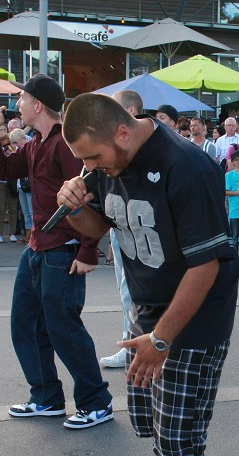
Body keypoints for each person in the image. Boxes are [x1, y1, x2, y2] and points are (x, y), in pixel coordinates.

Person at [58, 92, 239, 456]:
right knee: (152, 417)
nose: (89, 168)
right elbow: (103, 226)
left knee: (175, 429)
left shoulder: (188, 166)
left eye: (92, 158)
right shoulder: (111, 164)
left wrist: (161, 340)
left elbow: (206, 265)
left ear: (121, 133)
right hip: (149, 305)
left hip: (195, 315)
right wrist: (75, 208)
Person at [0, 73, 113, 430]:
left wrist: (88, 249)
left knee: (63, 328)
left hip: (64, 248)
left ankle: (96, 402)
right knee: (24, 323)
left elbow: (89, 198)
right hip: (38, 246)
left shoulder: (64, 145)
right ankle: (46, 398)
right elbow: (6, 170)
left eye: (22, 100)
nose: (17, 106)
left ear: (38, 105)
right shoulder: (36, 142)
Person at [99, 90, 144, 369]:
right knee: (125, 289)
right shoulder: (119, 145)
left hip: (140, 229)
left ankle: (134, 347)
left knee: (133, 291)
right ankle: (131, 345)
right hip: (122, 226)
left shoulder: (140, 146)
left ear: (129, 109)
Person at [0, 124, 18, 243]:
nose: (5, 143)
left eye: (8, 141)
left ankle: (12, 233)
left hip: (12, 181)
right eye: (3, 141)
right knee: (0, 209)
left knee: (13, 208)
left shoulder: (15, 150)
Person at [8, 128, 33, 242]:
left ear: (21, 139)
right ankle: (28, 234)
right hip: (20, 183)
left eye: (15, 142)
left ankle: (33, 235)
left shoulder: (31, 146)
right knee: (25, 211)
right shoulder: (18, 149)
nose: (14, 144)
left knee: (32, 211)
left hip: (30, 184)